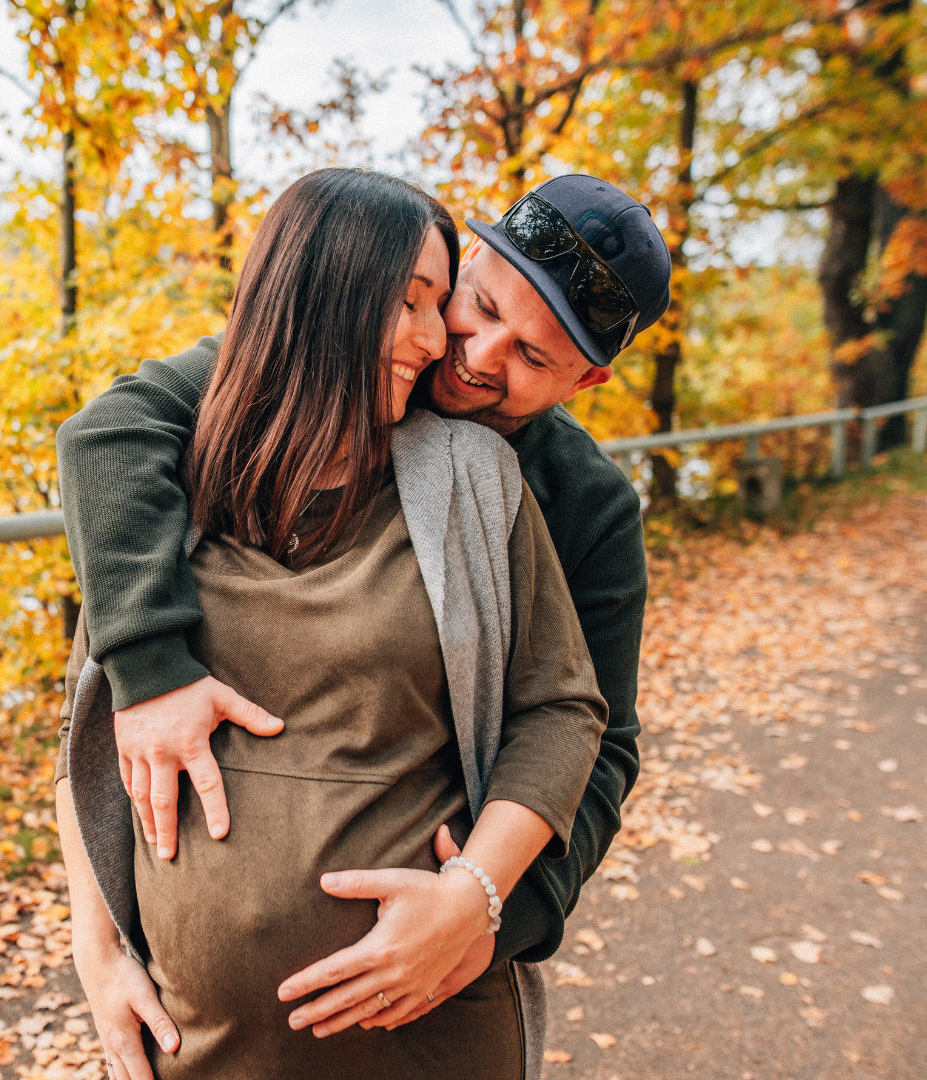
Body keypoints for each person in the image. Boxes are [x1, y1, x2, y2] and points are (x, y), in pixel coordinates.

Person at [56, 168, 608, 1080]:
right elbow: (87, 737)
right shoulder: (159, 492)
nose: (442, 344)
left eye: (438, 304)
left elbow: (570, 713)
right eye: (416, 303)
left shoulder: (472, 478)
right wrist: (99, 952)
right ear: (323, 298)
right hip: (198, 1048)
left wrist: (477, 895)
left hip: (430, 1035)